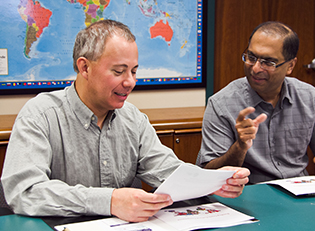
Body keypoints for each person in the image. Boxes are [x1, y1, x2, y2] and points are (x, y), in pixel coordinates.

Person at [0, 20, 249, 222]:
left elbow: (168, 172)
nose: (130, 82)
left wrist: (211, 181)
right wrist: (110, 201)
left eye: (134, 71)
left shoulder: (133, 118)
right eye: (119, 71)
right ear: (84, 68)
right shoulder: (40, 115)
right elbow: (24, 192)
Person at [196, 21, 315, 183]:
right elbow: (209, 174)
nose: (255, 68)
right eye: (251, 57)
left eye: (268, 62)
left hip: (298, 191)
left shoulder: (310, 97)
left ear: (290, 66)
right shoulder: (221, 103)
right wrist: (240, 146)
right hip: (248, 193)